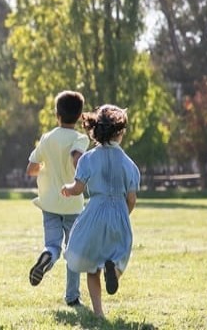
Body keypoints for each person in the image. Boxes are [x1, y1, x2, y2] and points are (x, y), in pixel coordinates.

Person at [61, 105, 139, 318]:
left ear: (95, 130)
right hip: (119, 214)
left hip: (94, 213)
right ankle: (113, 271)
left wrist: (67, 189)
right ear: (120, 132)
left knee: (92, 266)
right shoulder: (129, 165)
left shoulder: (87, 158)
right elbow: (131, 199)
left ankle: (99, 313)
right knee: (119, 256)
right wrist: (123, 214)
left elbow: (77, 189)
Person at [26, 90, 89, 307]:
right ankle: (72, 297)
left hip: (49, 203)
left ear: (57, 115)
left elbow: (31, 168)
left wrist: (45, 168)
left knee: (52, 245)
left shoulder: (47, 138)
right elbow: (77, 158)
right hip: (72, 203)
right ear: (80, 116)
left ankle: (47, 256)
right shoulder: (80, 138)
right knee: (73, 251)